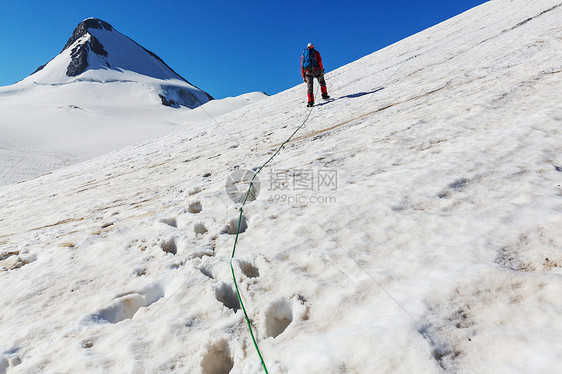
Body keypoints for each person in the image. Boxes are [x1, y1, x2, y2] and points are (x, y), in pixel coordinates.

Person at [301, 43, 330, 107]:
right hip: (316, 70)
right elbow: (319, 62)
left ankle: (310, 102)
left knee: (310, 87)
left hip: (308, 72)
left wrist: (303, 76)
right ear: (313, 46)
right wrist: (321, 70)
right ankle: (324, 95)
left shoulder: (304, 55)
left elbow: (302, 66)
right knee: (322, 82)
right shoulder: (316, 52)